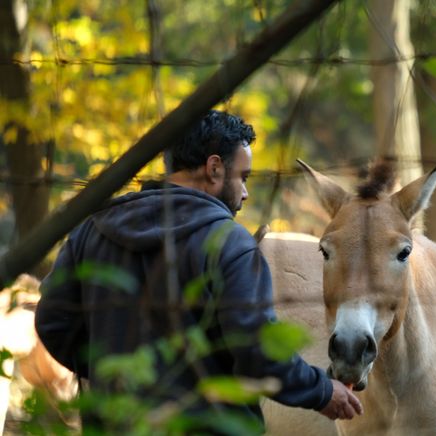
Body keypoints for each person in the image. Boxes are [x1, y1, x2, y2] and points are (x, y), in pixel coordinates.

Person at [35, 110, 362, 432]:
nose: (245, 193)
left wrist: (108, 373)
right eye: (243, 178)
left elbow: (52, 322)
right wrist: (321, 391)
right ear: (215, 168)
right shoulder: (230, 243)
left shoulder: (93, 231)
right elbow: (257, 349)